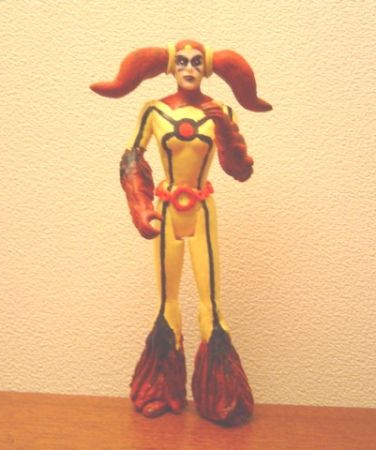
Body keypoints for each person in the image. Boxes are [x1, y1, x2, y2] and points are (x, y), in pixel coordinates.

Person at [91, 39, 271, 426]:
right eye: (183, 62)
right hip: (168, 208)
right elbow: (132, 157)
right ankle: (160, 388)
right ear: (171, 67)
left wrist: (225, 129)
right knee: (166, 302)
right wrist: (141, 205)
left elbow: (239, 170)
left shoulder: (220, 110)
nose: (189, 68)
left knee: (212, 303)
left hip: (202, 208)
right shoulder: (153, 110)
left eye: (196, 62)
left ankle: (222, 395)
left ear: (207, 68)